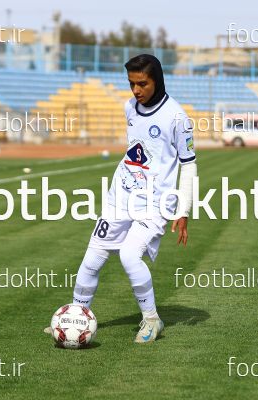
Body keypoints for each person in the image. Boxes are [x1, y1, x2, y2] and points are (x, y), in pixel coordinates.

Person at [45, 54, 197, 343]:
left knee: (129, 255)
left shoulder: (177, 117)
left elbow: (188, 165)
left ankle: (151, 320)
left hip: (155, 204)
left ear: (157, 80)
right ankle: (74, 318)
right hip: (119, 199)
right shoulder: (130, 107)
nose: (136, 90)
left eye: (143, 84)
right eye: (131, 84)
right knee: (92, 258)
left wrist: (183, 210)